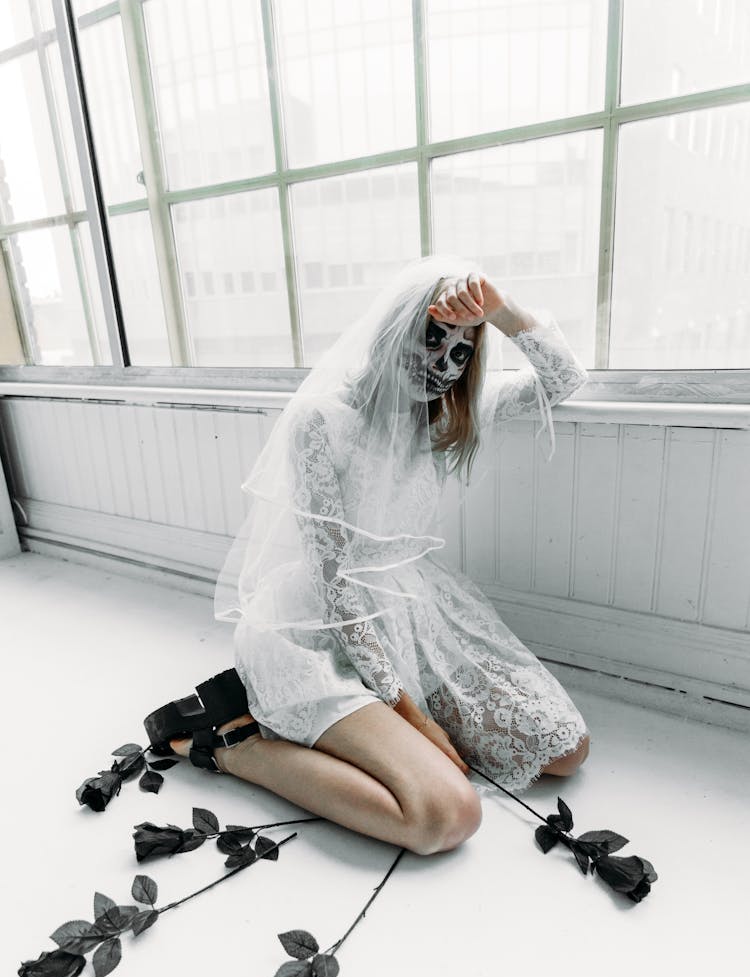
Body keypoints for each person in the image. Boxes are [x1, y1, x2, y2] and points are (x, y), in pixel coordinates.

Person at [171, 254, 591, 857]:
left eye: (460, 353)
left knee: (565, 750)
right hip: (323, 630)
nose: (442, 364)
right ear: (396, 327)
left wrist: (497, 312)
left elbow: (563, 379)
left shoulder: (445, 419)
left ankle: (380, 739)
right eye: (431, 337)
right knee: (445, 817)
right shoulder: (323, 419)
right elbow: (337, 582)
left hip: (417, 614)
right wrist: (414, 718)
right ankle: (237, 747)